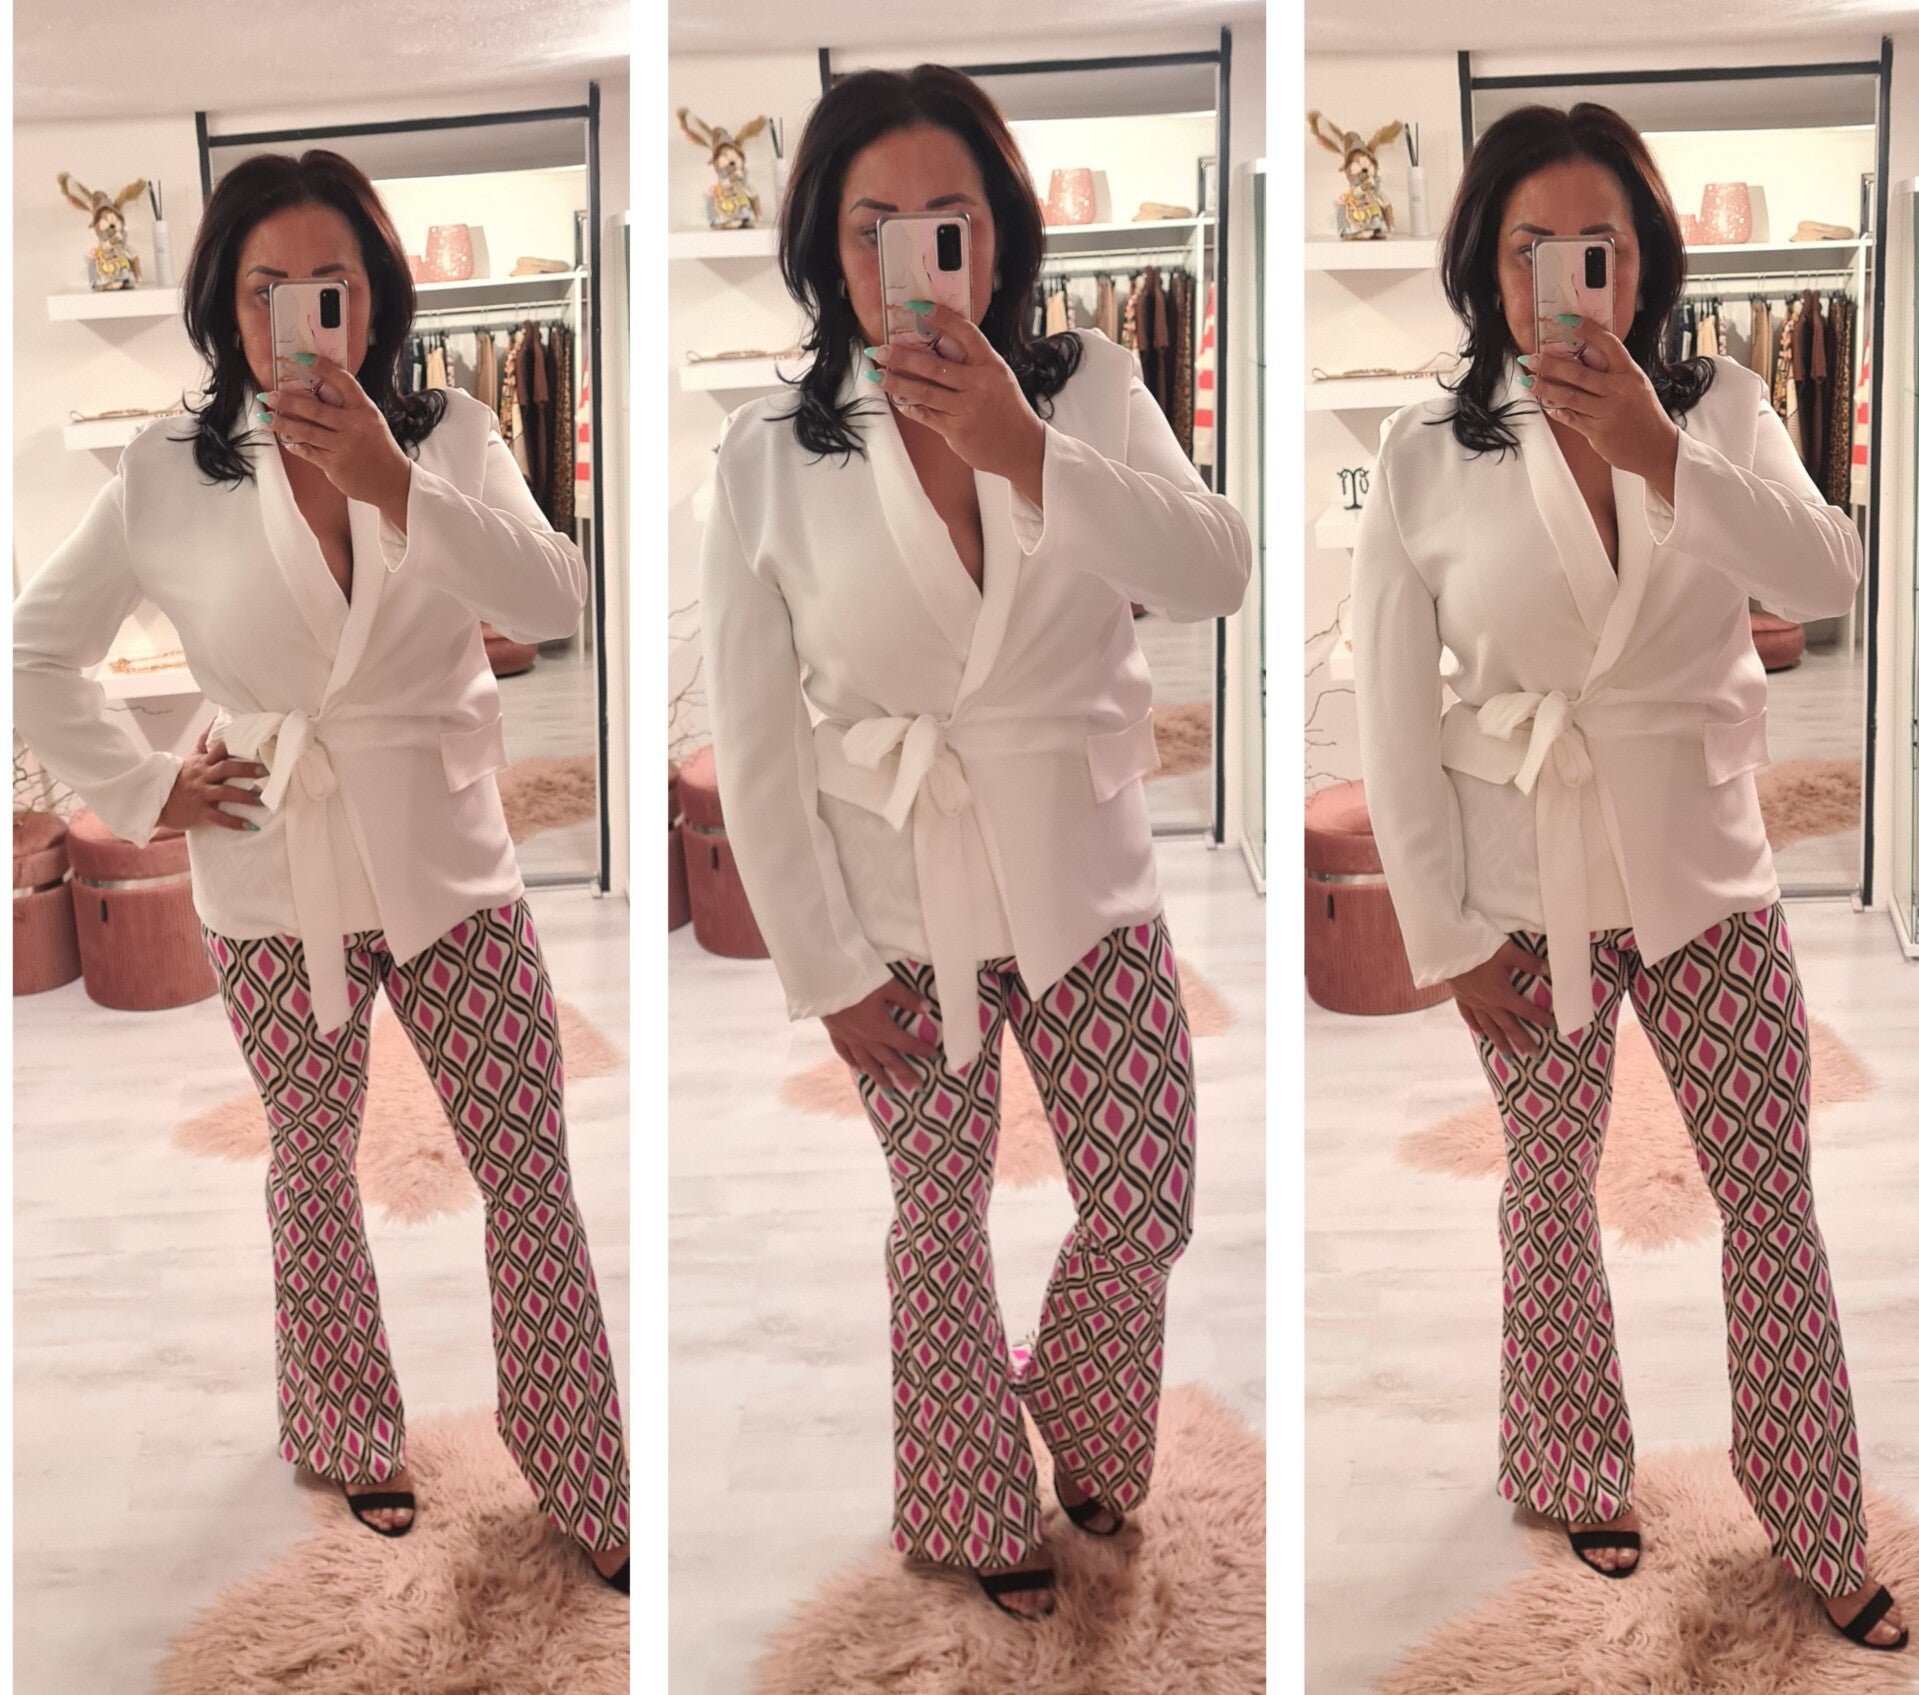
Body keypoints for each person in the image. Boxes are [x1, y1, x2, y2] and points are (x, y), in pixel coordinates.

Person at [13, 149, 631, 1594]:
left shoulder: (451, 432)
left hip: (447, 862)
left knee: (527, 1165)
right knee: (310, 1159)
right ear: (224, 307)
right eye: (263, 288)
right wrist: (147, 789)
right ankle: (345, 1427)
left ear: (376, 293)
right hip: (271, 863)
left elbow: (551, 597)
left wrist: (389, 481)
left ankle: (580, 1464)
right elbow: (36, 651)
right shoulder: (169, 469)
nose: (296, 315)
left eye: (327, 285)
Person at [699, 65, 1250, 1619]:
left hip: (1087, 877)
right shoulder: (767, 453)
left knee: (1145, 1199)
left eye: (948, 219)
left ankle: (1078, 1415)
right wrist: (821, 967)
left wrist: (1027, 448)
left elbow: (1215, 571)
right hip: (894, 900)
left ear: (1000, 235)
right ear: (828, 250)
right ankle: (970, 1505)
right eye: (872, 225)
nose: (912, 256)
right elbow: (754, 734)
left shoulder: (1091, 389)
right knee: (937, 1223)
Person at [1353, 102, 1904, 1652]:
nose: (1561, 278)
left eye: (1591, 245)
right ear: (1487, 266)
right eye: (1527, 246)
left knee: (1772, 1195)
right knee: (1549, 1187)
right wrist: (1444, 930)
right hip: (1522, 881)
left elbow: (1826, 575)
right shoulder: (1427, 450)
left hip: (1705, 869)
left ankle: (1814, 1509)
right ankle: (1570, 1461)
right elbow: (1390, 712)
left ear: (1643, 259)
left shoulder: (1721, 406)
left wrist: (1662, 454)